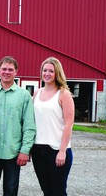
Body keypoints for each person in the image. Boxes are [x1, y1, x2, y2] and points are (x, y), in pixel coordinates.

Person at [0, 56, 36, 196]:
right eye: (4, 69)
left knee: (11, 190)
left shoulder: (24, 96)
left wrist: (25, 150)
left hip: (13, 152)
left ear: (16, 72)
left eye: (10, 69)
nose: (7, 72)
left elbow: (29, 125)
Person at [31, 57, 74, 196]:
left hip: (57, 151)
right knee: (46, 190)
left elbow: (69, 124)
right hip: (38, 150)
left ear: (57, 73)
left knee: (58, 191)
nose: (47, 73)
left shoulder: (63, 94)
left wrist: (62, 151)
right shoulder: (37, 93)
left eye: (51, 71)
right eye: (45, 70)